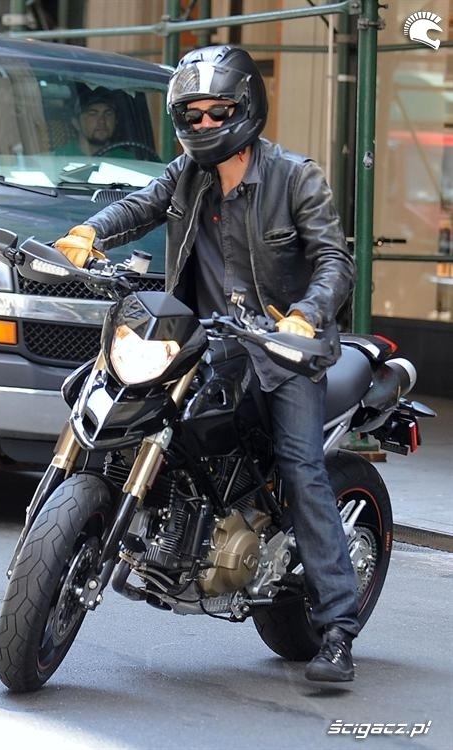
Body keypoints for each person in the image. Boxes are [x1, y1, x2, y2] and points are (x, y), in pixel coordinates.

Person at [54, 45, 359, 683]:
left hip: (282, 353)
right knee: (111, 398)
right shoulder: (186, 174)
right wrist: (88, 233)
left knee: (302, 468)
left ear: (246, 108)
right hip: (203, 340)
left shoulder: (295, 176)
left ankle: (337, 627)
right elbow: (138, 205)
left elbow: (335, 261)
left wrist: (304, 315)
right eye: (191, 114)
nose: (205, 123)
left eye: (218, 111)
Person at [54, 86, 132, 158]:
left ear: (116, 121)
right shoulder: (60, 158)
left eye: (108, 114)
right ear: (76, 123)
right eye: (93, 114)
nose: (102, 121)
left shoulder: (127, 160)